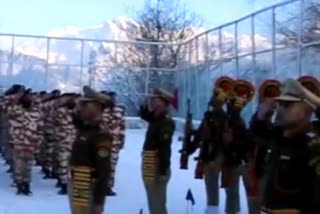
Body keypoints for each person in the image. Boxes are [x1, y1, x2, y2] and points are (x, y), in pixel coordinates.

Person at [251, 79, 320, 214]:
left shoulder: (314, 145)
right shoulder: (281, 136)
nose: (279, 108)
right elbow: (258, 133)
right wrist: (259, 117)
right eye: (279, 103)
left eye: (287, 104)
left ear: (308, 110)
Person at [68, 86, 113, 214]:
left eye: (84, 105)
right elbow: (75, 117)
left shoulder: (101, 134)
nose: (80, 108)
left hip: (88, 187)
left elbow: (104, 171)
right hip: (79, 185)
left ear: (95, 107)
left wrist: (98, 202)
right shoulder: (86, 127)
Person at [245, 79, 282, 214]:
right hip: (256, 167)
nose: (272, 101)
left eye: (275, 96)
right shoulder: (258, 119)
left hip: (268, 169)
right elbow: (257, 129)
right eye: (269, 96)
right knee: (256, 203)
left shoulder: (274, 123)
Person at [139, 88, 175, 214]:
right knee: (154, 200)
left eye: (156, 100)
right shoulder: (156, 119)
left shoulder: (165, 122)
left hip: (157, 165)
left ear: (164, 103)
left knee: (157, 203)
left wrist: (163, 169)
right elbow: (144, 114)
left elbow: (164, 146)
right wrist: (144, 103)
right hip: (150, 163)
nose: (152, 102)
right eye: (152, 100)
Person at [101, 91, 126, 196]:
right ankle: (100, 186)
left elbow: (123, 126)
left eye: (113, 98)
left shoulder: (119, 110)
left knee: (111, 166)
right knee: (101, 165)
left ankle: (108, 187)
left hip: (114, 143)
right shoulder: (100, 109)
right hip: (101, 143)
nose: (112, 99)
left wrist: (122, 141)